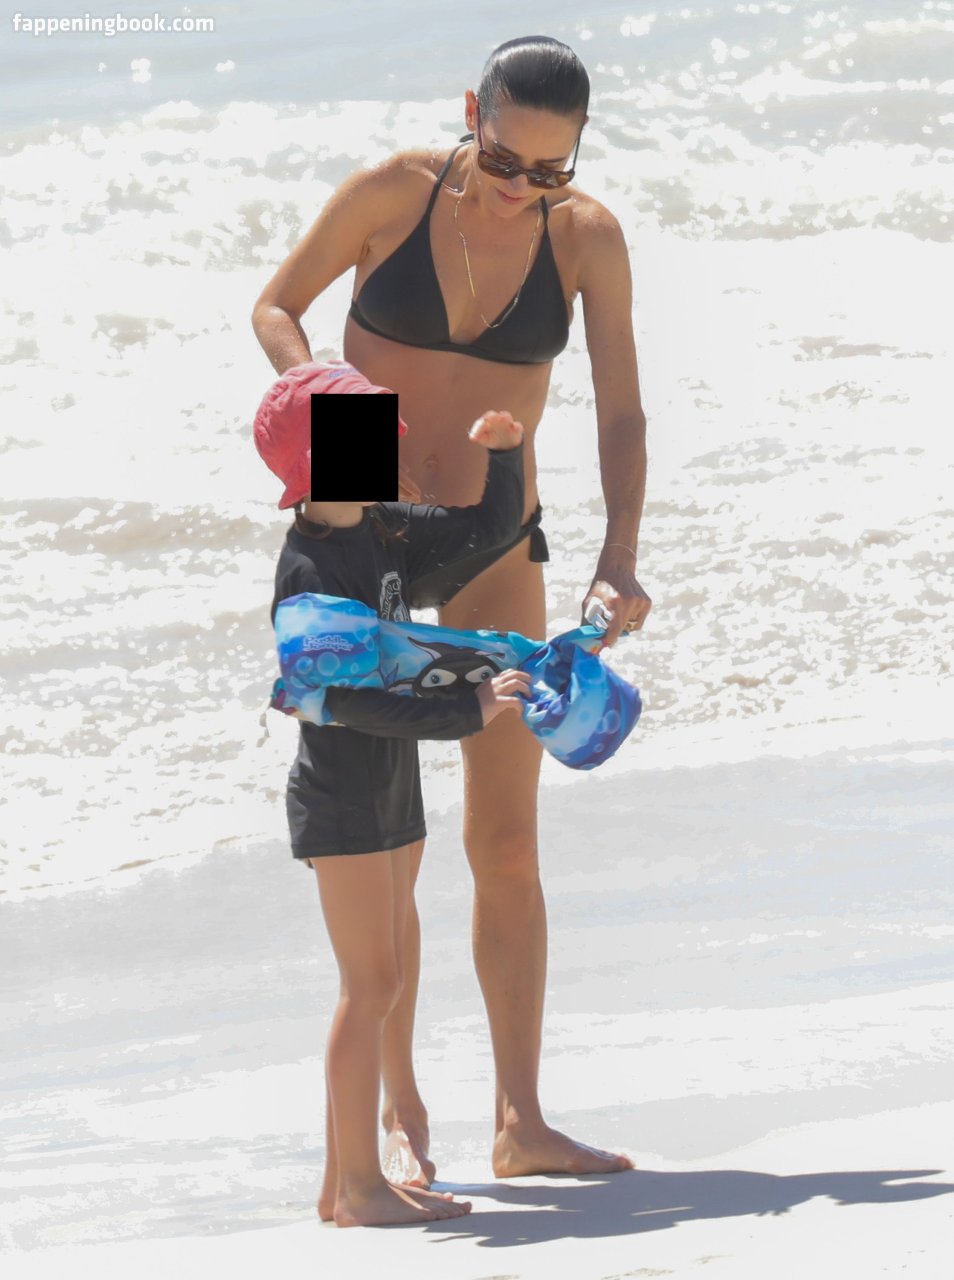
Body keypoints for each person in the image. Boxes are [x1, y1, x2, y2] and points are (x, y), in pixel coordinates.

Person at [252, 34, 651, 1182]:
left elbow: (620, 410)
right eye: (507, 159)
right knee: (390, 841)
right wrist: (342, 422)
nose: (525, 187)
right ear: (473, 111)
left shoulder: (587, 239)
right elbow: (277, 309)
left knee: (507, 840)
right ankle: (399, 1113)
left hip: (491, 540)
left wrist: (619, 555)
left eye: (551, 169)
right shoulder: (392, 193)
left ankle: (521, 1119)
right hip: (366, 540)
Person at [259, 362, 532, 1226]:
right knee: (370, 986)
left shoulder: (382, 529)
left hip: (390, 785)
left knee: (388, 973)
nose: (388, 441)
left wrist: (507, 458)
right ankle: (359, 1188)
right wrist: (466, 710)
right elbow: (344, 701)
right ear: (317, 459)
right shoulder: (308, 571)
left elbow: (484, 532)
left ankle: (341, 1187)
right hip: (341, 795)